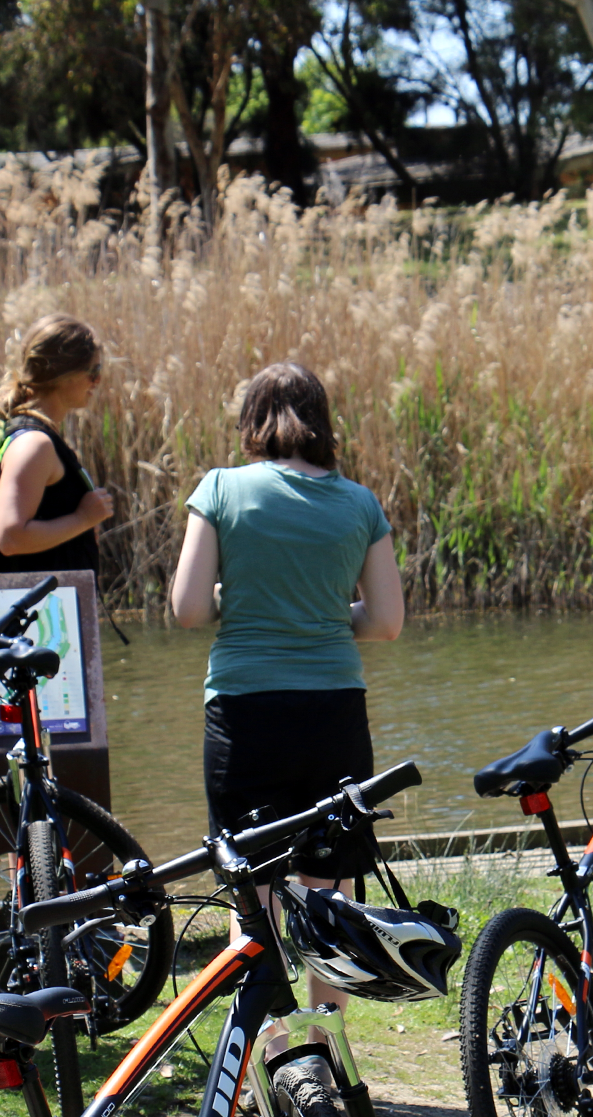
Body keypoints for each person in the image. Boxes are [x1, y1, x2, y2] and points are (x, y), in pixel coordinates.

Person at [168, 362, 404, 1025]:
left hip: (246, 712)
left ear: (251, 422)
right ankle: (326, 1052)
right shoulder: (359, 504)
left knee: (256, 886)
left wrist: (240, 600)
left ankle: (271, 1044)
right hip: (333, 711)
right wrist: (324, 612)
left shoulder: (220, 490)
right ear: (323, 424)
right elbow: (385, 623)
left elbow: (187, 609)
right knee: (329, 888)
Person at [0, 314, 114, 574]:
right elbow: (10, 536)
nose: (97, 382)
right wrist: (82, 519)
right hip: (40, 610)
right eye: (93, 371)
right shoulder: (34, 445)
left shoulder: (39, 437)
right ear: (64, 373)